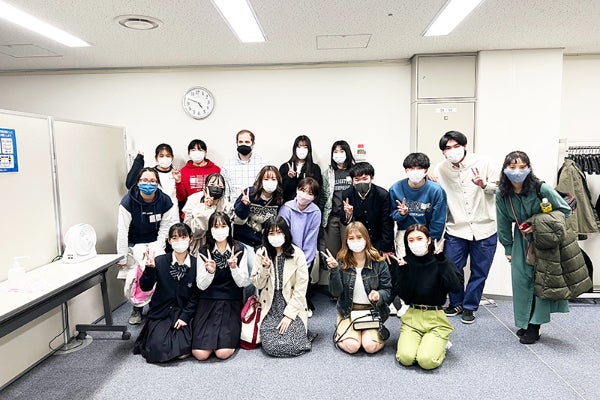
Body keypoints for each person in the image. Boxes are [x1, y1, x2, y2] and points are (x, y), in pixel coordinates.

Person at [495, 151, 572, 344]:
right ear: (505, 169)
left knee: (541, 281)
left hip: (545, 241)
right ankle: (525, 321)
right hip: (520, 242)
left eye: (522, 167)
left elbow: (565, 210)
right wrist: (508, 248)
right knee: (521, 282)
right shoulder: (502, 194)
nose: (517, 171)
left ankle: (535, 326)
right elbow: (503, 222)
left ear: (529, 168)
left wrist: (537, 223)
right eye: (512, 167)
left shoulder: (541, 189)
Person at [432, 131, 499, 324]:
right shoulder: (441, 169)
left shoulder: (484, 162)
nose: (452, 151)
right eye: (447, 148)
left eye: (456, 146)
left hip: (485, 227)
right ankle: (456, 303)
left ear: (464, 146)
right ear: (443, 152)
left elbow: (502, 189)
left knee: (479, 271)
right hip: (456, 228)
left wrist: (484, 185)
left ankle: (470, 306)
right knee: (452, 268)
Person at [117, 167, 179, 325]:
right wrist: (122, 257)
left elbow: (165, 228)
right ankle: (137, 308)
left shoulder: (165, 201)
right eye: (144, 180)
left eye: (152, 181)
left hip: (155, 241)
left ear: (157, 183)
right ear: (138, 183)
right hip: (134, 242)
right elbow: (122, 231)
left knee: (158, 272)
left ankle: (156, 305)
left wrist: (158, 248)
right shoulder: (127, 202)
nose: (148, 184)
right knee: (135, 276)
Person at [394, 224, 461, 370]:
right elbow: (405, 297)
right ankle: (426, 342)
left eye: (419, 238)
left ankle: (441, 343)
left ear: (428, 240)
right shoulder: (405, 262)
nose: (415, 243)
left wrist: (442, 261)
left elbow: (456, 288)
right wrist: (403, 273)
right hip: (412, 316)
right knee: (405, 358)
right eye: (411, 240)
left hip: (435, 317)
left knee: (426, 361)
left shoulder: (441, 260)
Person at [133, 223, 199, 363]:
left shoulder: (196, 264)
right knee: (158, 349)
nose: (179, 241)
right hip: (162, 312)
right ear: (169, 241)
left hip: (183, 312)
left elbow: (196, 296)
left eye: (183, 237)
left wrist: (185, 316)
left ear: (191, 239)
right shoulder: (160, 261)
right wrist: (149, 269)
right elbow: (145, 287)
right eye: (174, 238)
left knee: (183, 350)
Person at [323, 221, 392, 354]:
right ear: (346, 241)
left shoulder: (379, 262)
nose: (356, 241)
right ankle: (344, 329)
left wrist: (379, 295)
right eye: (351, 238)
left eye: (359, 237)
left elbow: (387, 290)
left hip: (372, 311)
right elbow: (336, 292)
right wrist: (334, 270)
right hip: (348, 311)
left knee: (370, 347)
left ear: (366, 239)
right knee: (353, 346)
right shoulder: (341, 261)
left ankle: (361, 334)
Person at [251, 217, 312, 357]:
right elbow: (257, 284)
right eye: (271, 233)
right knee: (271, 346)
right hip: (270, 305)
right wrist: (265, 268)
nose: (275, 236)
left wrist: (289, 316)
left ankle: (301, 334)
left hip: (291, 303)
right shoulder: (261, 253)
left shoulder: (297, 254)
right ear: (266, 235)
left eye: (279, 232)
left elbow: (301, 289)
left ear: (286, 233)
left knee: (294, 343)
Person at [192, 212, 249, 360]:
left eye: (223, 226)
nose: (220, 230)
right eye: (216, 226)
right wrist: (210, 272)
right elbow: (201, 285)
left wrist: (234, 268)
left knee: (222, 353)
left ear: (229, 228)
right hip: (207, 300)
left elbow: (243, 283)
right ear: (210, 230)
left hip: (231, 300)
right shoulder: (204, 252)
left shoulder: (239, 250)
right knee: (200, 354)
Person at [233, 165, 284, 299]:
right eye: (266, 179)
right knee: (252, 272)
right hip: (244, 240)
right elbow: (237, 218)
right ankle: (249, 304)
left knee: (267, 270)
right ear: (260, 180)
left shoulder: (278, 199)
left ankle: (264, 301)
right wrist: (244, 205)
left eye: (273, 179)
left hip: (263, 242)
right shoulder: (249, 193)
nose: (270, 182)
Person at [389, 152, 447, 258]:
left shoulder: (436, 190)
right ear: (406, 170)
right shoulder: (396, 188)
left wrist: (431, 241)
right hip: (404, 233)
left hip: (427, 232)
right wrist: (401, 214)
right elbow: (392, 215)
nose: (415, 172)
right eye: (411, 168)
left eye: (419, 168)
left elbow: (438, 220)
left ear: (426, 171)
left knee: (428, 265)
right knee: (405, 265)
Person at [279, 177, 322, 315]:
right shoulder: (286, 208)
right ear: (297, 190)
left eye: (310, 193)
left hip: (305, 253)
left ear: (314, 197)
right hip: (287, 251)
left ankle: (304, 305)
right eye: (302, 190)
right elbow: (282, 234)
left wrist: (305, 262)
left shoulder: (315, 212)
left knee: (303, 280)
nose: (304, 195)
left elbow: (311, 239)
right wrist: (288, 255)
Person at [339, 162, 395, 260]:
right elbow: (344, 220)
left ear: (371, 179)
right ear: (352, 181)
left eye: (365, 179)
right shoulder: (347, 194)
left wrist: (386, 248)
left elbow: (387, 223)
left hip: (378, 238)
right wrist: (348, 214)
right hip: (358, 239)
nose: (361, 182)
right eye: (357, 180)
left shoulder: (382, 194)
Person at [182, 173, 234, 256]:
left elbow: (229, 230)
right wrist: (207, 207)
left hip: (220, 246)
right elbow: (193, 231)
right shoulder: (193, 200)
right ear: (205, 186)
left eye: (220, 186)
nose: (216, 188)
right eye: (212, 185)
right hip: (197, 246)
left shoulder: (226, 205)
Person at [320, 140, 355, 263]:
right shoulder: (328, 173)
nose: (338, 154)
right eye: (335, 151)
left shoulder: (354, 171)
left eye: (341, 151)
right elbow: (324, 197)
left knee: (350, 253)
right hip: (332, 218)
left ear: (347, 153)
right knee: (332, 254)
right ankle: (334, 275)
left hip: (350, 218)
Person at [125, 144, 179, 214]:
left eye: (168, 156)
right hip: (154, 211)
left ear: (172, 157)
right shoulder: (150, 174)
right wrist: (138, 161)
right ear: (156, 158)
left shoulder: (177, 174)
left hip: (173, 212)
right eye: (161, 156)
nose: (165, 158)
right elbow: (130, 184)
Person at [174, 139, 221, 210]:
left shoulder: (216, 170)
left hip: (211, 210)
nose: (197, 153)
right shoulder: (183, 171)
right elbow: (181, 198)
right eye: (193, 150)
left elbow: (220, 193)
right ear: (189, 153)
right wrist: (178, 182)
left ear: (205, 152)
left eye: (200, 150)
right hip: (191, 211)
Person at [223, 129, 267, 202]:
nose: (243, 144)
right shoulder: (227, 165)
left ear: (253, 144)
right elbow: (225, 194)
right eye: (240, 142)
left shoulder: (263, 164)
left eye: (247, 142)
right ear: (237, 143)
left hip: (255, 206)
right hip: (233, 207)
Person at [279, 135, 323, 203]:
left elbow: (317, 192)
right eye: (299, 146)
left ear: (309, 149)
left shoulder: (315, 168)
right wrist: (290, 178)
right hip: (288, 205)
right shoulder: (285, 167)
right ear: (295, 148)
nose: (302, 150)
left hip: (308, 206)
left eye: (305, 147)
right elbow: (281, 191)